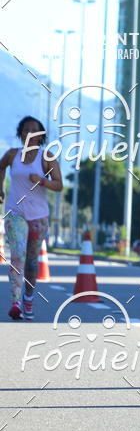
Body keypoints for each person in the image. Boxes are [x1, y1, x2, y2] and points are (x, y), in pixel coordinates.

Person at [0, 116, 63, 320]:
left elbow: (59, 185)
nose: (29, 133)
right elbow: (0, 167)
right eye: (26, 130)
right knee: (17, 255)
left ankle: (28, 298)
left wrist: (42, 181)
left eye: (34, 130)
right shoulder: (12, 155)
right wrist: (0, 188)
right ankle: (15, 302)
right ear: (20, 134)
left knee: (32, 262)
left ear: (40, 136)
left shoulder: (47, 157)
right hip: (15, 213)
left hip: (38, 216)